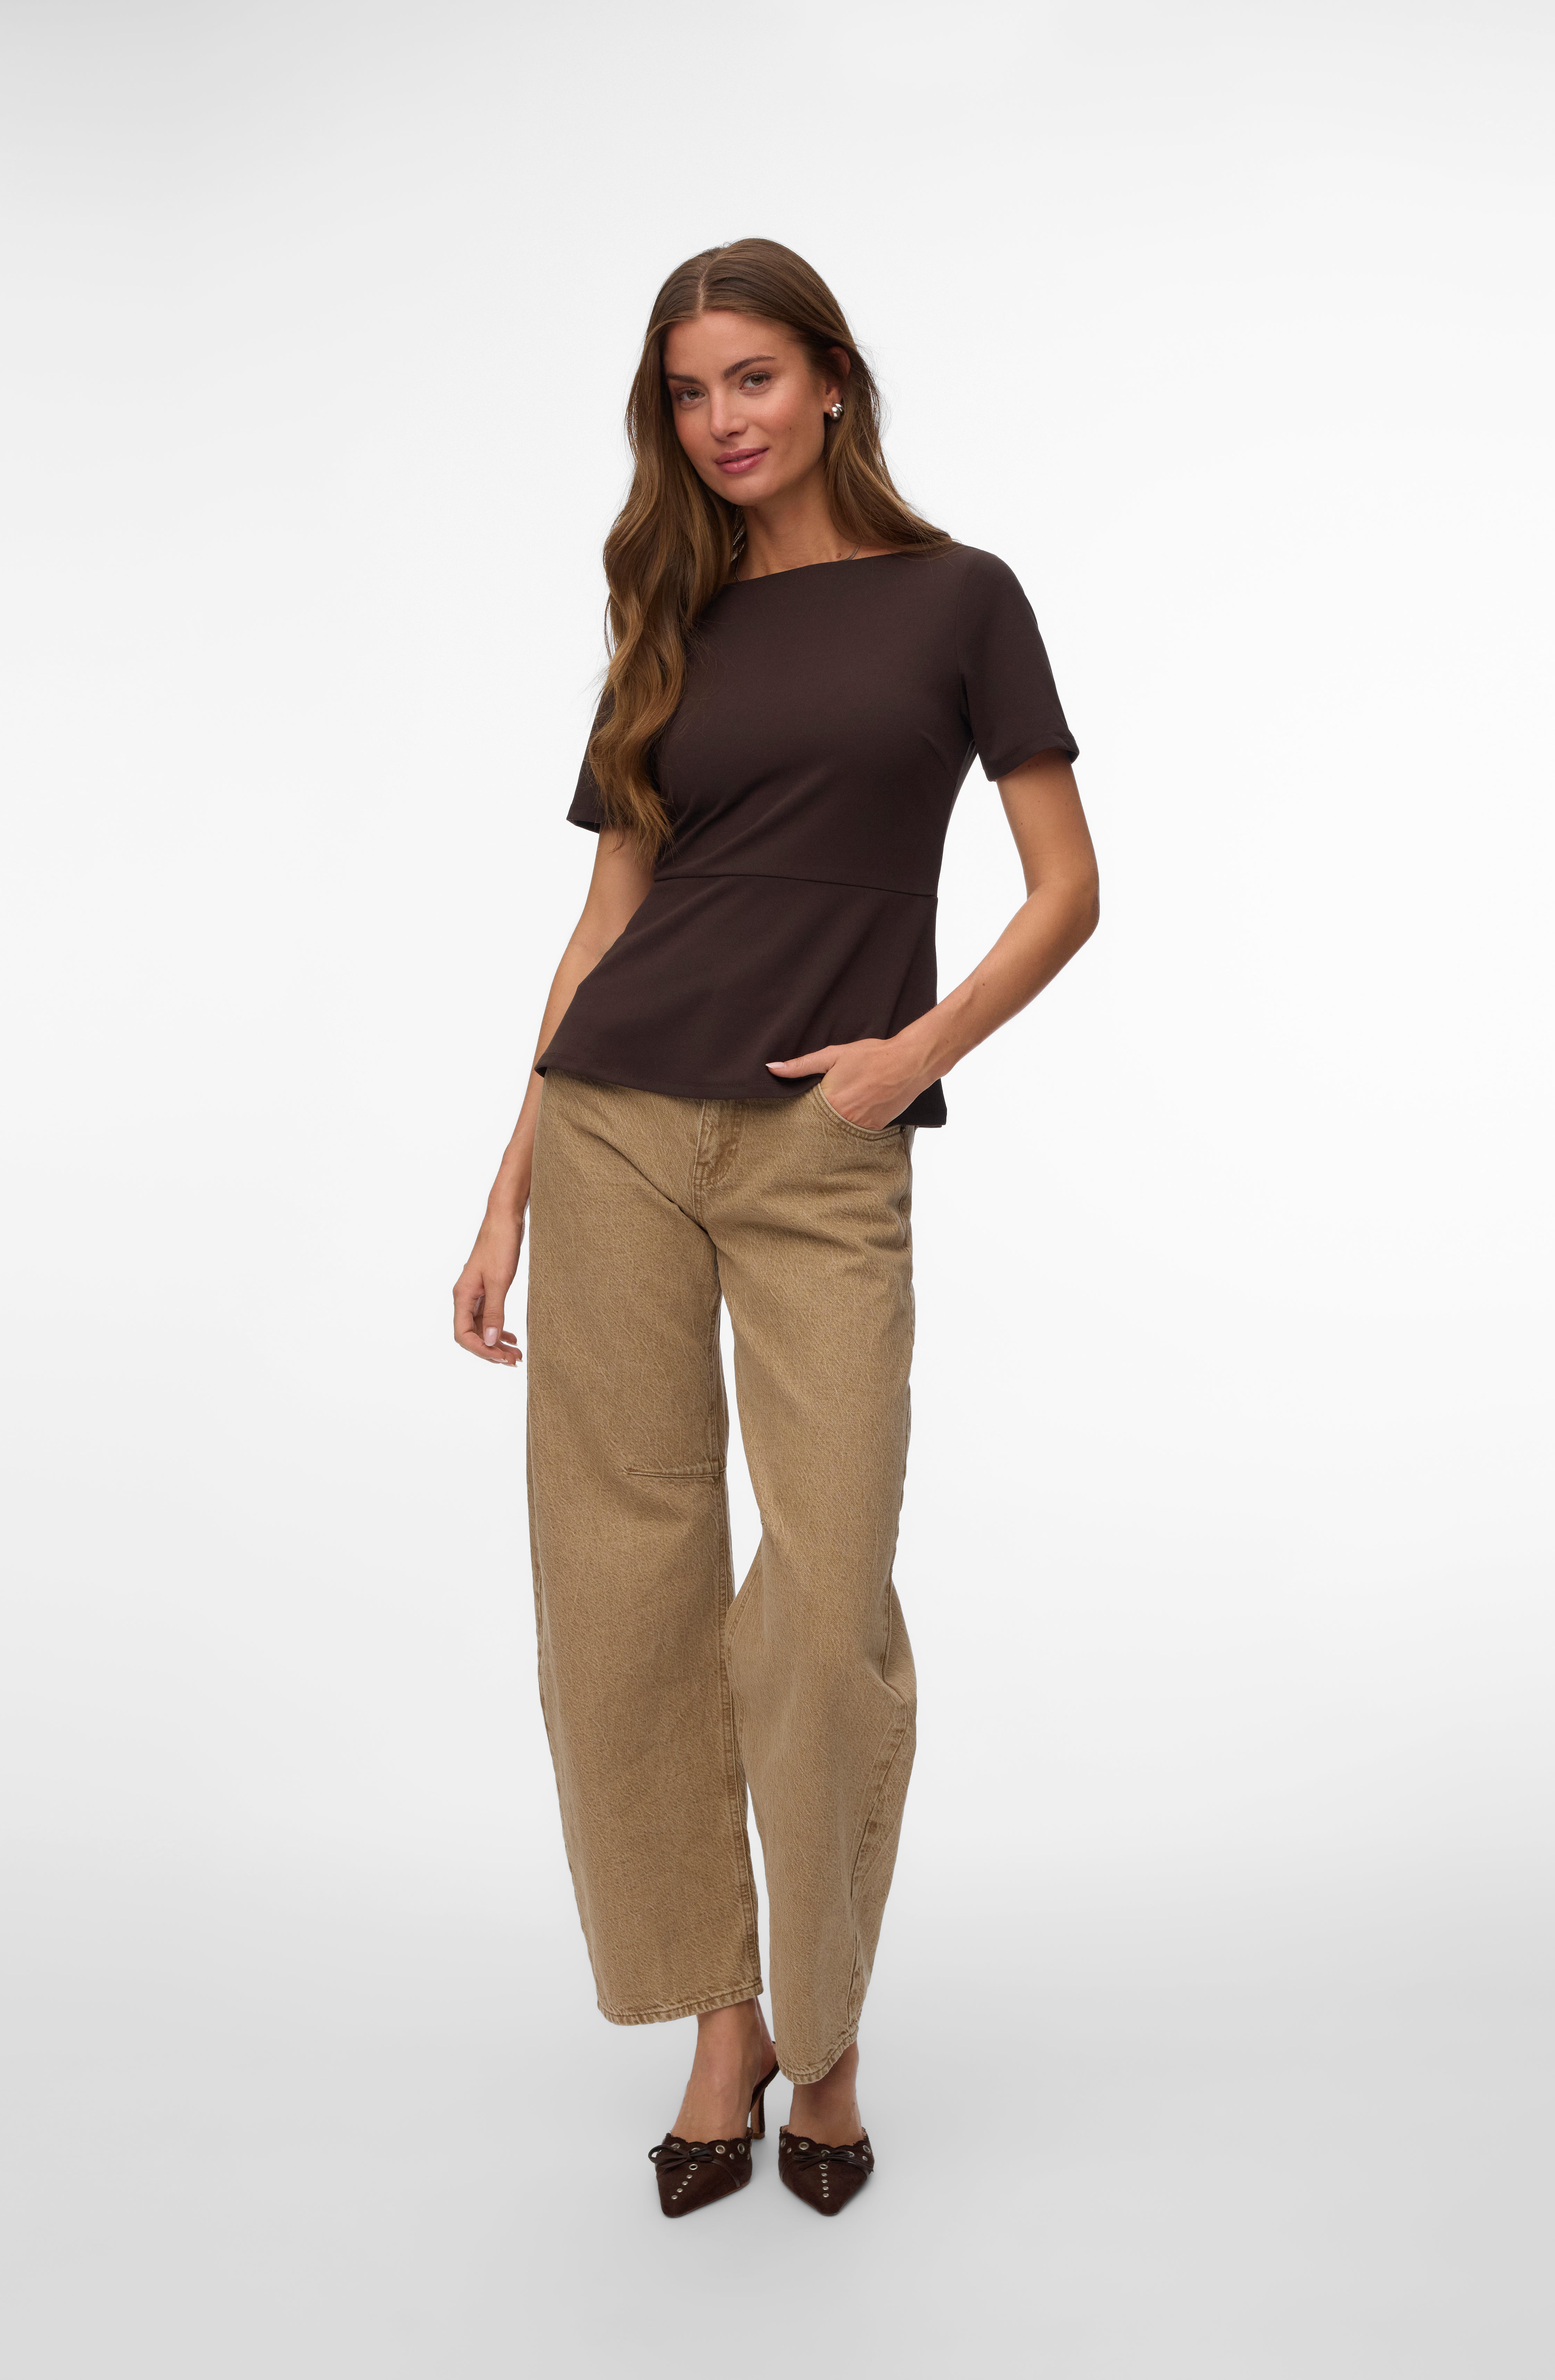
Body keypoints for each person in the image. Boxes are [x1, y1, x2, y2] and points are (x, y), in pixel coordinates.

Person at [453, 237, 1098, 2217]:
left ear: (830, 378)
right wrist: (508, 1188)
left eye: (750, 377)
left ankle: (828, 2029)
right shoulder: (671, 611)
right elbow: (608, 918)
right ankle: (723, 2023)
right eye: (686, 391)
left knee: (822, 1604)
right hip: (619, 1129)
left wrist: (915, 1054)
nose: (721, 420)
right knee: (621, 1594)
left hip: (826, 1143)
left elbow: (1067, 885)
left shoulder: (959, 598)